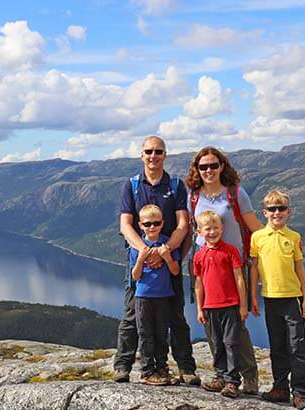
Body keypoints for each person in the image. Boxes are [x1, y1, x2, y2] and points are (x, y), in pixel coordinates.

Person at [113, 135, 199, 385]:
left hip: (168, 257)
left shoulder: (175, 185)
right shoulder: (131, 185)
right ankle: (123, 365)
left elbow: (183, 223)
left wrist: (165, 250)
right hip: (139, 259)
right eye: (149, 151)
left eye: (158, 151)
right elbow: (125, 225)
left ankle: (186, 367)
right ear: (142, 155)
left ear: (165, 155)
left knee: (176, 316)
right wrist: (144, 251)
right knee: (132, 316)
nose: (153, 156)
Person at [185, 146, 263, 394]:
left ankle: (248, 377)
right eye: (203, 167)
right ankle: (222, 374)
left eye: (213, 165)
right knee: (212, 323)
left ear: (222, 167)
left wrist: (279, 239)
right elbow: (189, 230)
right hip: (204, 264)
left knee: (237, 326)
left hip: (233, 265)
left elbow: (254, 227)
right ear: (197, 170)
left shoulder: (235, 194)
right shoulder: (194, 196)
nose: (208, 170)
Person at [250, 189, 305, 409]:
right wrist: (252, 296)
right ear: (264, 212)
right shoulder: (257, 237)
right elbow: (254, 268)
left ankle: (301, 392)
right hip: (270, 298)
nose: (277, 213)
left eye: (281, 209)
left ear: (289, 212)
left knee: (297, 347)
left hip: (292, 298)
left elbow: (300, 267)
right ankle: (280, 388)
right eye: (272, 209)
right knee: (277, 346)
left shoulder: (294, 237)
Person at [193, 210, 247, 398]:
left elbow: (239, 278)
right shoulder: (199, 256)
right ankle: (220, 376)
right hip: (210, 307)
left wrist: (243, 305)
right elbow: (198, 284)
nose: (213, 232)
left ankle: (232, 381)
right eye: (208, 229)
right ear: (200, 232)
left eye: (216, 228)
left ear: (222, 228)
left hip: (230, 305)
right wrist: (200, 308)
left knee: (231, 343)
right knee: (216, 343)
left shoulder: (230, 251)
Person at [130, 204, 181, 385]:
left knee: (161, 334)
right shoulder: (137, 246)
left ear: (162, 223)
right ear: (141, 225)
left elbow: (175, 271)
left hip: (163, 297)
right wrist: (141, 258)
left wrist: (166, 256)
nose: (152, 227)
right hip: (143, 298)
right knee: (146, 335)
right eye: (147, 224)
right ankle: (146, 371)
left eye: (156, 223)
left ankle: (162, 368)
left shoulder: (168, 243)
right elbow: (135, 276)